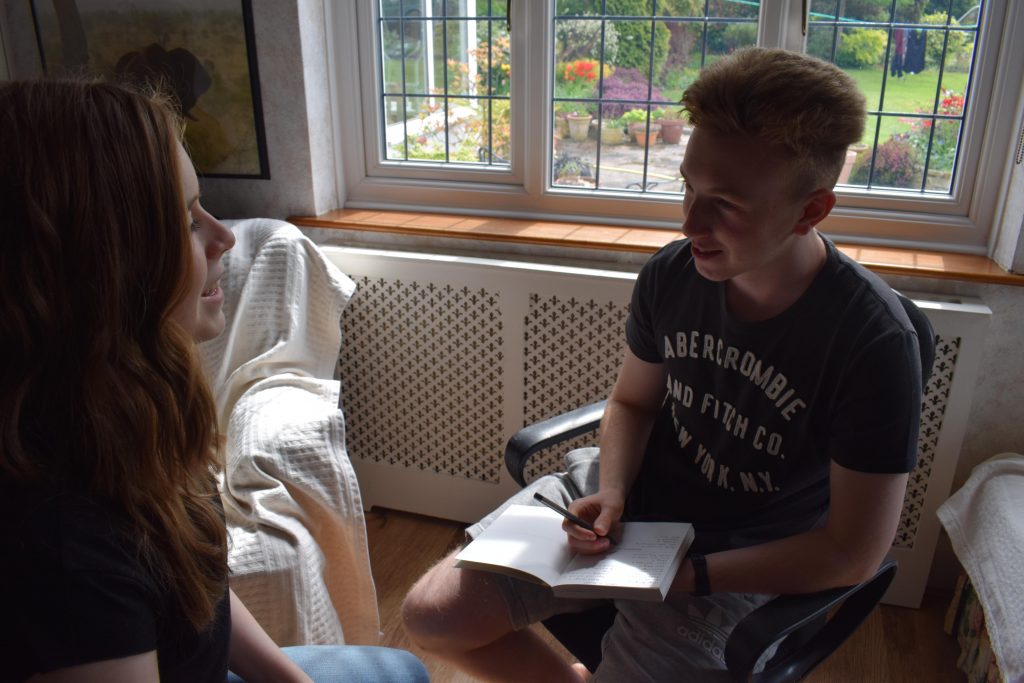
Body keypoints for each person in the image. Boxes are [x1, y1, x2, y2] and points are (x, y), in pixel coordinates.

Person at [402, 47, 923, 682]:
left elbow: (850, 553)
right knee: (434, 616)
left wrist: (692, 574)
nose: (689, 222)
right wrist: (612, 491)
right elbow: (632, 403)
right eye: (688, 187)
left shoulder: (872, 341)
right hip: (634, 511)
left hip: (747, 554)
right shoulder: (673, 276)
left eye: (725, 204)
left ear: (811, 210)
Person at [0, 79, 429, 683]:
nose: (224, 235)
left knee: (402, 670)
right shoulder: (63, 548)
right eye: (185, 218)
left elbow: (195, 590)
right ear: (107, 263)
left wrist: (291, 679)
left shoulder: (129, 411)